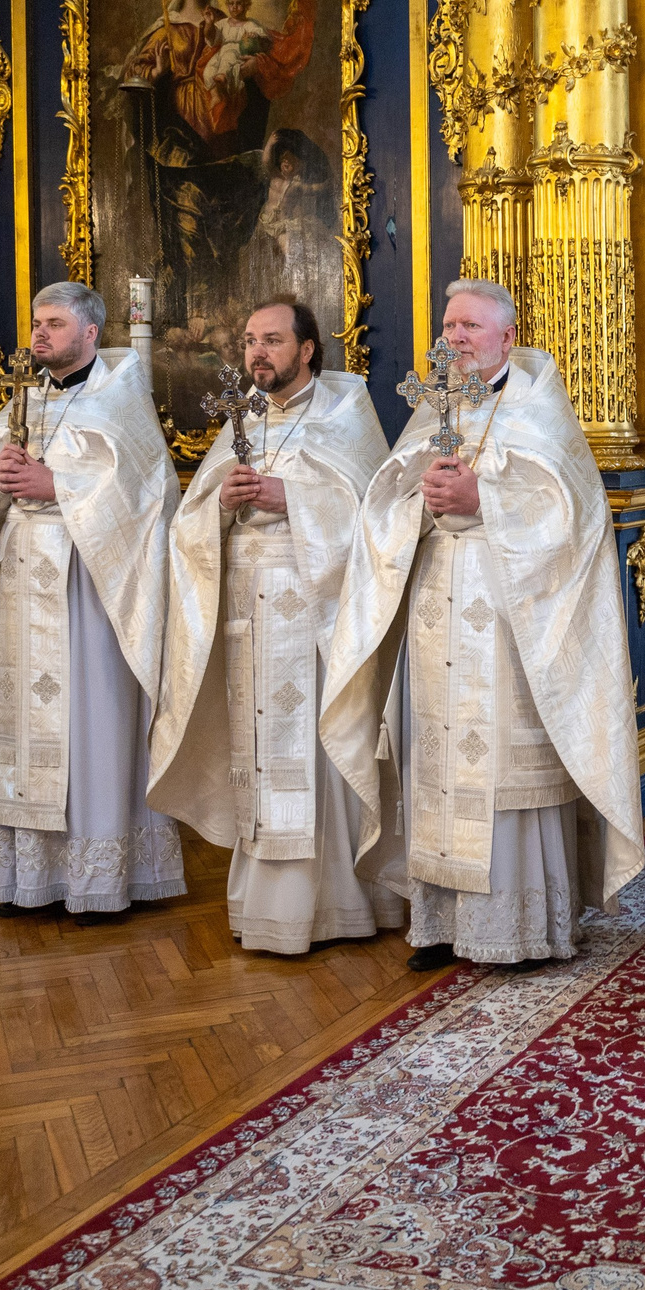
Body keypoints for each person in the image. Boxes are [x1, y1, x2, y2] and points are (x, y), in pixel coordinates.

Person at [315, 279, 644, 969]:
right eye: (447, 324)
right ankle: (441, 924)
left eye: (468, 325)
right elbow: (387, 501)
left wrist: (483, 495)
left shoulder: (538, 407)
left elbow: (574, 514)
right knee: (436, 762)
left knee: (502, 770)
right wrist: (420, 503)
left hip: (512, 619)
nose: (454, 336)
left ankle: (519, 928)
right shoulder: (435, 403)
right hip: (439, 608)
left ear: (506, 336)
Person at [149, 299, 403, 953]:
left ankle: (340, 901)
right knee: (258, 752)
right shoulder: (246, 418)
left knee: (318, 746)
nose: (257, 352)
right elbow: (191, 524)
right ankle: (265, 903)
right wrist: (220, 506)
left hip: (316, 615)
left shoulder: (346, 412)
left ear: (308, 348)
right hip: (248, 620)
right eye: (250, 341)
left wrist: (290, 499)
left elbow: (373, 517)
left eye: (272, 340)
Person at [0, 281, 187, 915]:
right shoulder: (23, 400)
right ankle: (31, 879)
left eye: (55, 324)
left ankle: (100, 881)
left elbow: (145, 499)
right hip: (22, 578)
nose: (39, 334)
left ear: (91, 333)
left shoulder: (120, 402)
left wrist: (58, 485)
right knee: (23, 722)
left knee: (91, 720)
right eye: (37, 323)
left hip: (92, 591)